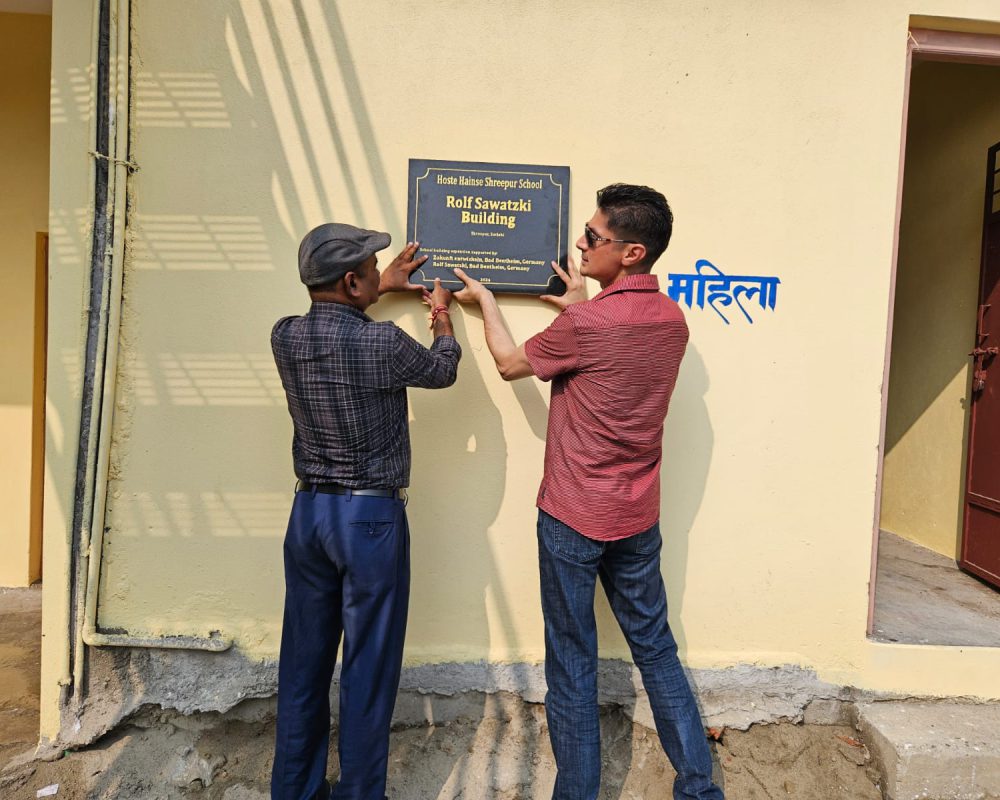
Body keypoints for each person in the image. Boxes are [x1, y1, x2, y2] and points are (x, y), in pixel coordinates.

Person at [452, 184, 724, 799]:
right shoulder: (671, 319)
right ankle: (701, 790)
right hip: (636, 515)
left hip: (573, 516)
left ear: (631, 252)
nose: (581, 243)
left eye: (594, 238)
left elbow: (509, 362)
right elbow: (611, 354)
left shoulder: (587, 324)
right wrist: (577, 304)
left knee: (572, 664)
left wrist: (488, 302)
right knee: (656, 650)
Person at [270, 223, 460, 800]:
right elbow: (442, 369)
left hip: (308, 516)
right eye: (372, 272)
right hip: (370, 521)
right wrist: (444, 319)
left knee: (302, 665)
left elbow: (338, 323)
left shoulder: (285, 336)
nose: (383, 274)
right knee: (367, 670)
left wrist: (379, 289)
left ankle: (295, 791)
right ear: (352, 282)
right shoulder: (384, 344)